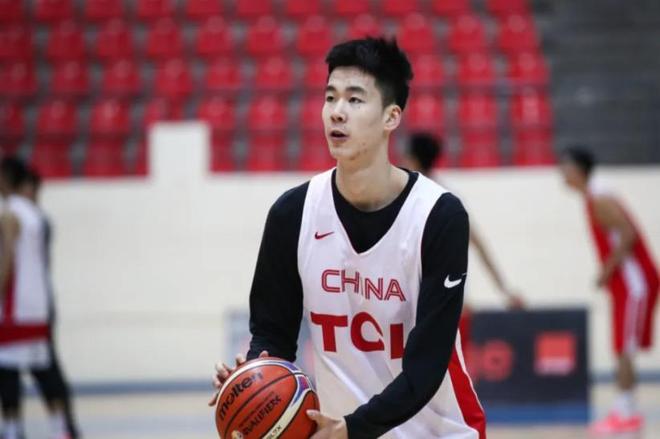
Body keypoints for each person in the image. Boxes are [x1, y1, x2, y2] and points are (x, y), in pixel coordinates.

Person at [212, 37, 486, 439]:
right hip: (342, 431)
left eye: (355, 100)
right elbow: (272, 335)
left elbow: (426, 367)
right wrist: (255, 380)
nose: (337, 112)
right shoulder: (292, 214)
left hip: (437, 432)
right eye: (330, 98)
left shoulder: (439, 217)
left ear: (391, 117)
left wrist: (353, 428)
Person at [559, 146, 658, 435]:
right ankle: (627, 410)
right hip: (626, 284)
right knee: (623, 347)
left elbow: (628, 233)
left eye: (565, 169)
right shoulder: (594, 196)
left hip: (634, 283)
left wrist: (606, 270)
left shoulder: (599, 197)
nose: (562, 175)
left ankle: (625, 413)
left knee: (624, 349)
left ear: (578, 171)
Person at [402, 133, 525, 308]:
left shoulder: (409, 198)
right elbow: (478, 244)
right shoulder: (447, 198)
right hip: (443, 297)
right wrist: (504, 289)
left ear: (413, 160)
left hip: (419, 298)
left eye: (405, 157)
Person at [0, 158, 72, 439]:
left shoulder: (9, 215)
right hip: (38, 304)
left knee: (7, 370)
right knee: (45, 370)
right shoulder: (36, 215)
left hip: (14, 306)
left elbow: (6, 261)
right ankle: (60, 428)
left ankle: (12, 429)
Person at [20, 169, 80, 439]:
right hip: (27, 306)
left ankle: (64, 427)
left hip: (34, 307)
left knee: (46, 370)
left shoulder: (32, 220)